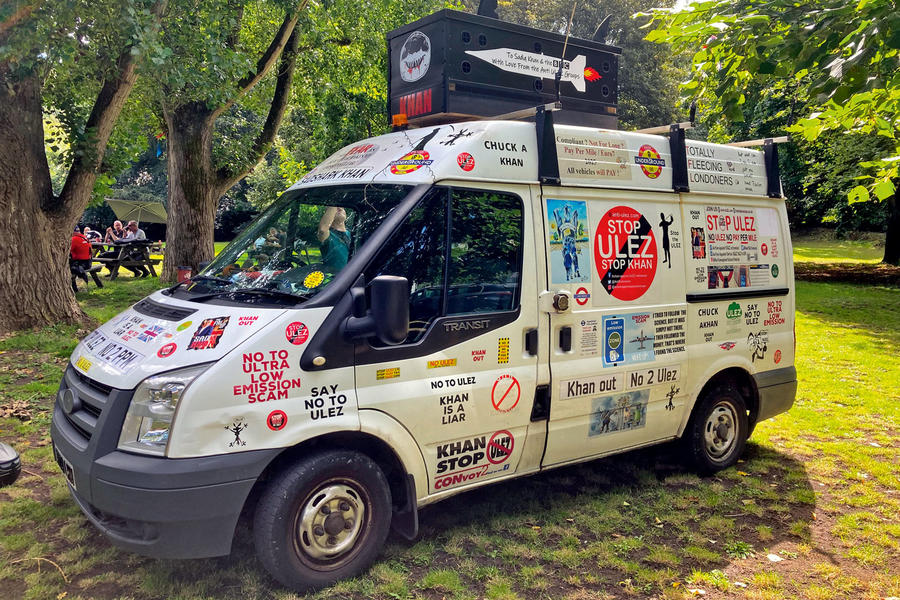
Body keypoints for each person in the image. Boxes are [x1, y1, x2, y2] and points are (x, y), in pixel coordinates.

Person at [317, 206, 350, 271]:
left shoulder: (354, 234)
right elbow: (322, 230)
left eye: (342, 207)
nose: (340, 208)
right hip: (337, 279)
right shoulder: (328, 236)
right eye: (335, 208)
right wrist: (334, 203)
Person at [70, 226, 93, 292]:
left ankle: (74, 289)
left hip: (81, 264)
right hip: (88, 263)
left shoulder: (74, 239)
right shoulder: (84, 237)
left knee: (69, 269)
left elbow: (66, 251)